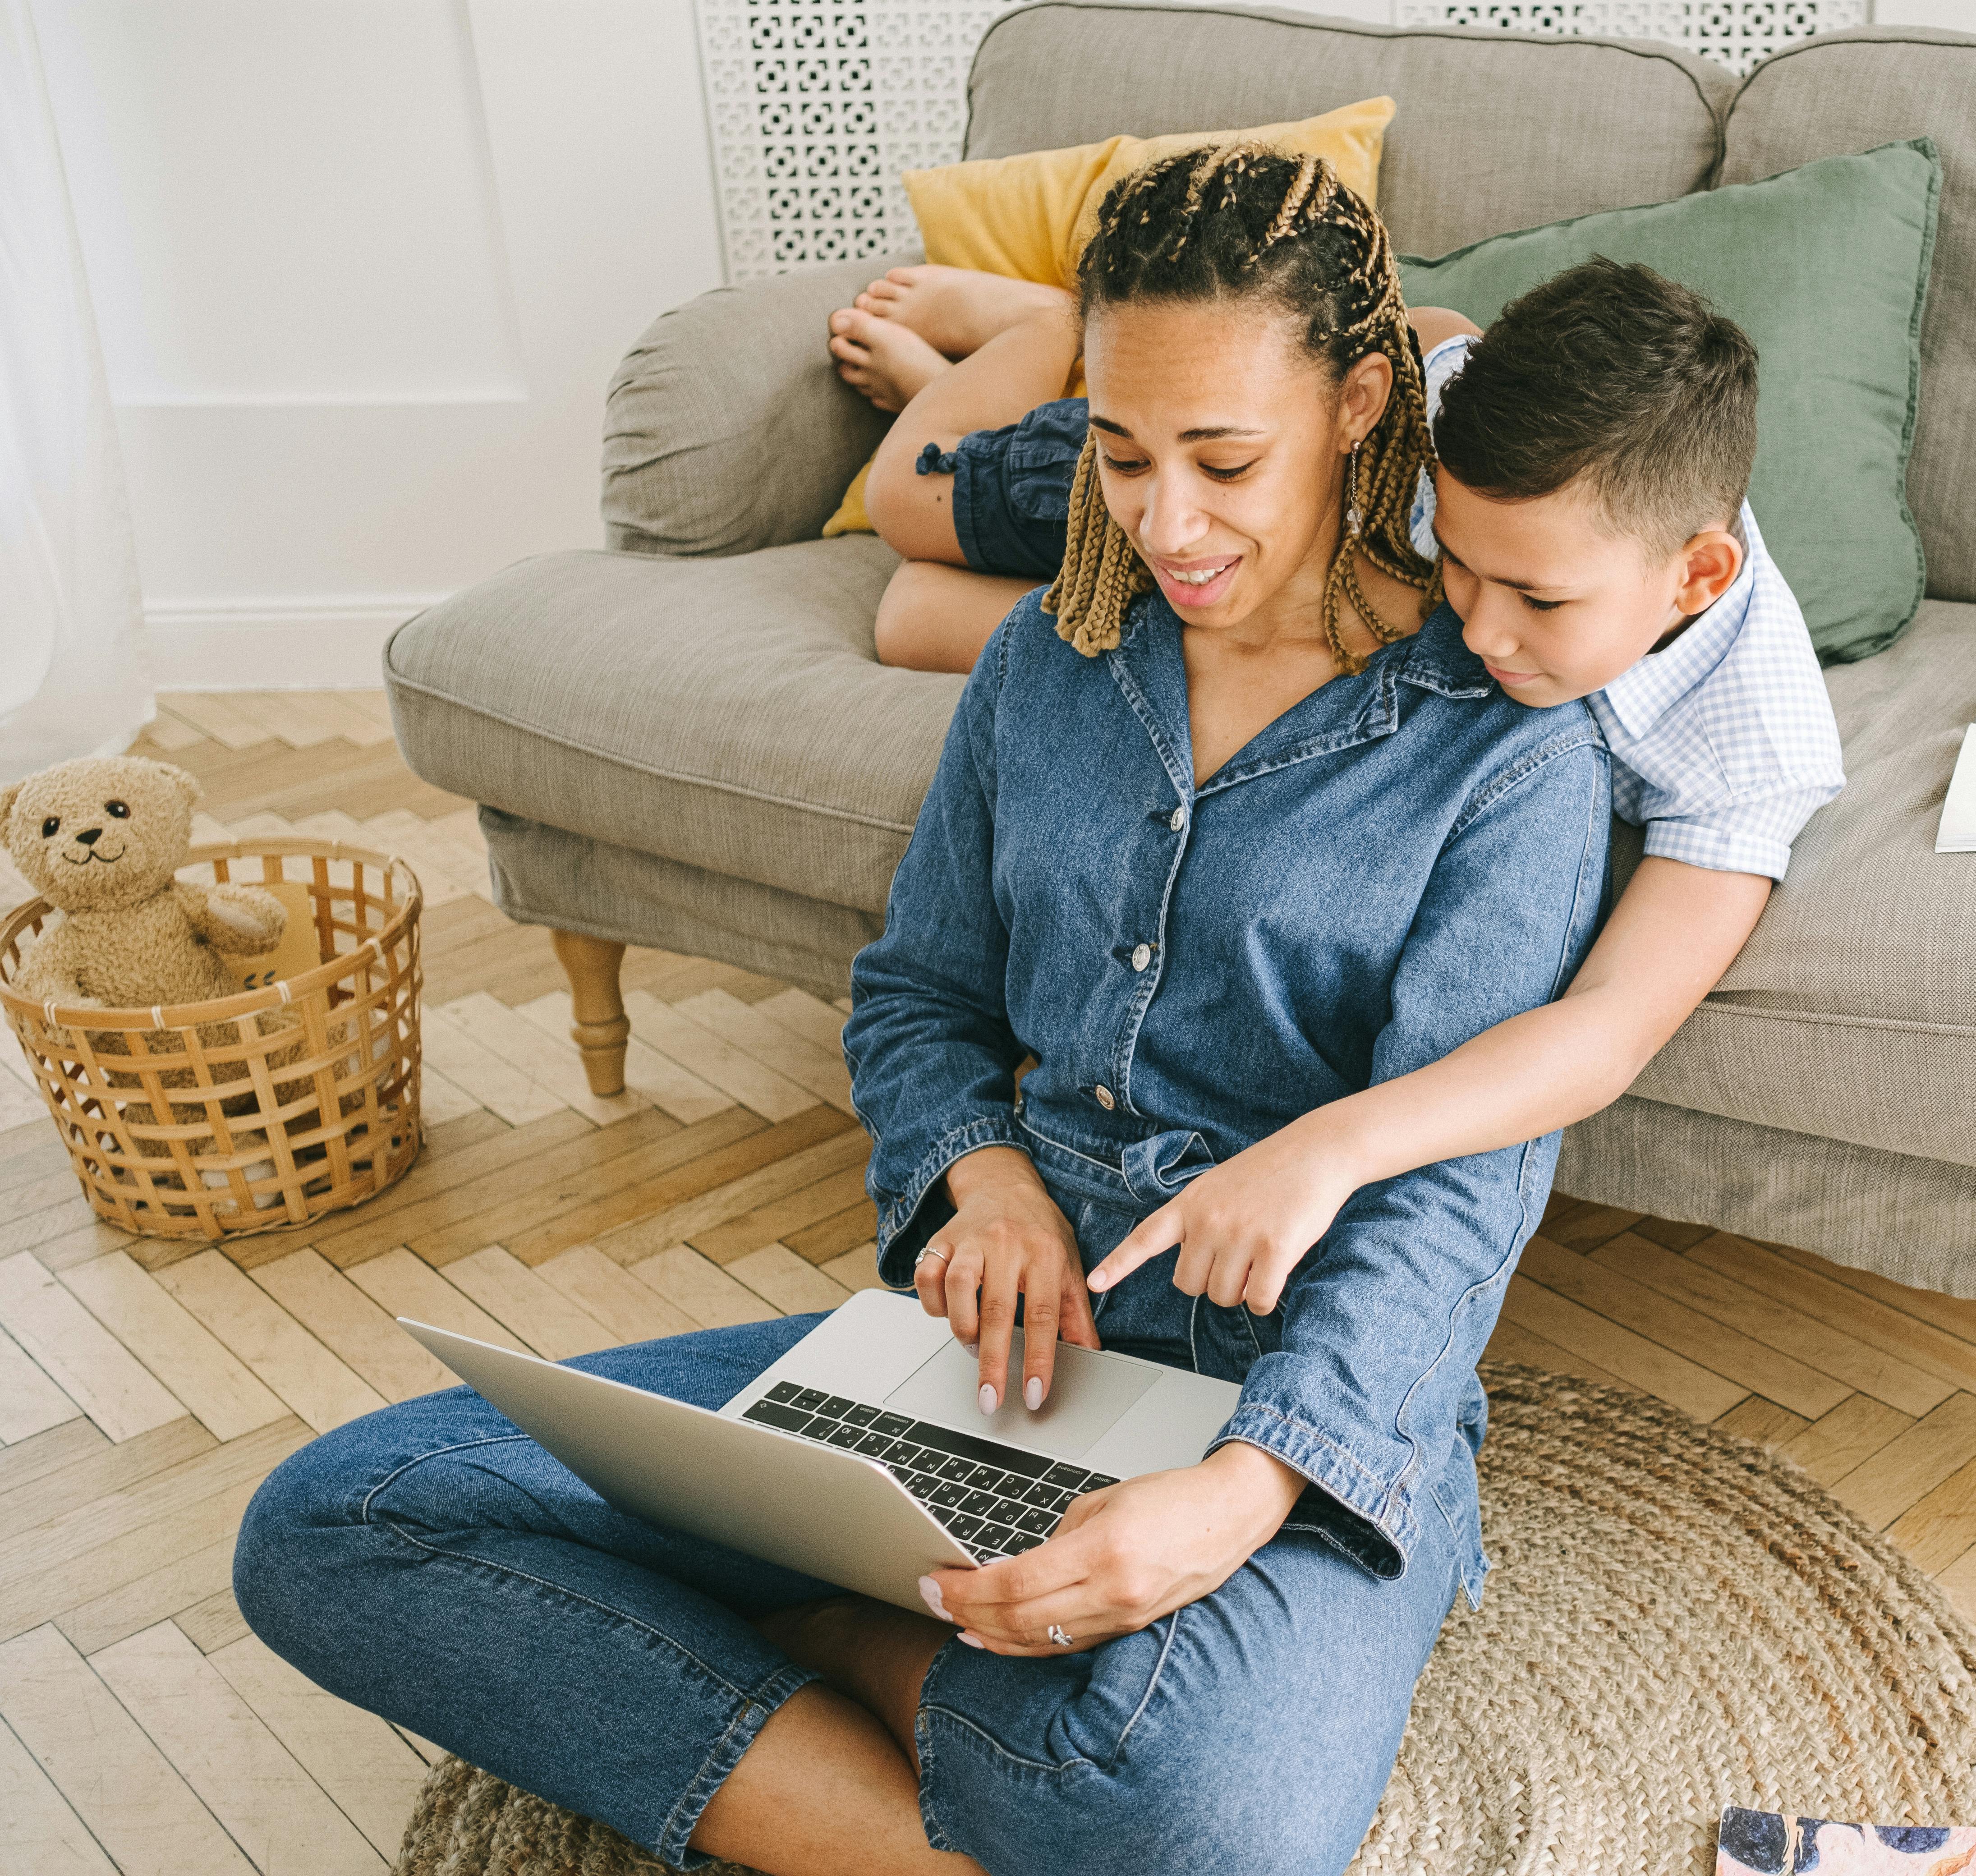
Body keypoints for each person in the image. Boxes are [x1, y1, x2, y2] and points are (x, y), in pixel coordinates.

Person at [232, 145, 1612, 1876]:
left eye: (1225, 460)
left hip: (1303, 1391)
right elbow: (919, 996)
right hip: (1003, 1369)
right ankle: (942, 1798)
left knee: (1201, 1814)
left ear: (1354, 403)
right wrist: (982, 1176)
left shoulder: (1506, 752)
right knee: (338, 1521)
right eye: (1119, 453)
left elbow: (1455, 1187)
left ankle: (832, 1657)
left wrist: (1248, 1490)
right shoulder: (1052, 658)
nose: (1165, 524)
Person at [842, 250, 1845, 1340]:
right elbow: (1428, 324)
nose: (1480, 629)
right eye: (1459, 565)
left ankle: (1051, 351)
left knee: (909, 616)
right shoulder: (1428, 415)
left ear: (1695, 580)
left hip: (1231, 529)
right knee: (906, 504)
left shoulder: (1757, 742)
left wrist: (1335, 1144)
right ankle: (1046, 335)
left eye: (1540, 600)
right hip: (1240, 503)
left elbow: (1606, 1030)